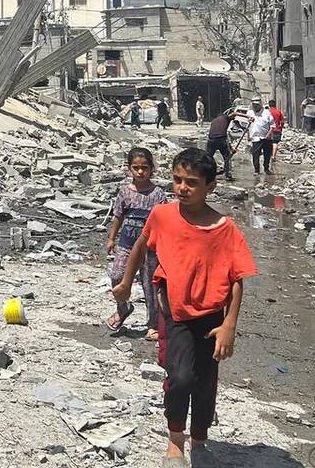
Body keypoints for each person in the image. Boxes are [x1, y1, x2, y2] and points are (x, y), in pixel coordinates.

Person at [112, 148, 257, 466]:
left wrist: (229, 325)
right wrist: (126, 282)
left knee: (205, 382)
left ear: (210, 186)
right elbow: (141, 245)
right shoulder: (163, 216)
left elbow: (237, 279)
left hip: (211, 317)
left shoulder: (225, 228)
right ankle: (176, 440)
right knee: (179, 378)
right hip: (174, 312)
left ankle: (199, 440)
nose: (182, 188)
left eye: (191, 182)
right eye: (177, 180)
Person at [105, 147, 167, 340]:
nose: (140, 172)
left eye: (144, 168)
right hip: (126, 244)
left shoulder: (157, 194)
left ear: (152, 169)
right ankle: (123, 308)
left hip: (150, 248)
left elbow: (164, 221)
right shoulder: (125, 192)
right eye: (136, 168)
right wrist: (111, 238)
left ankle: (153, 324)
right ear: (129, 168)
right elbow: (118, 216)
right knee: (117, 276)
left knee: (150, 286)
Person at [204, 109, 237, 180]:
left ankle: (205, 173)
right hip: (221, 140)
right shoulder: (225, 118)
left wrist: (231, 148)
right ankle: (228, 175)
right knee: (227, 157)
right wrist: (248, 116)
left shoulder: (214, 121)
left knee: (208, 158)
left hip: (211, 140)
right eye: (233, 118)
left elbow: (222, 134)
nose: (233, 119)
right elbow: (234, 113)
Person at [244, 99, 275, 176]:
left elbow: (272, 126)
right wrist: (248, 135)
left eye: (257, 105)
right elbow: (247, 126)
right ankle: (256, 170)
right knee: (255, 155)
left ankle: (266, 168)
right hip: (255, 138)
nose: (255, 106)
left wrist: (268, 135)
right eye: (254, 105)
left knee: (267, 155)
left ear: (260, 105)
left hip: (266, 138)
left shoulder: (267, 113)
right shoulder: (250, 113)